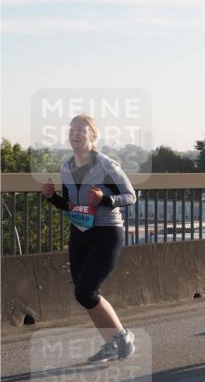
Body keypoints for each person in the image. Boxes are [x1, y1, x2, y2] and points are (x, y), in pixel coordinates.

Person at [42, 115, 137, 362]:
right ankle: (115, 340)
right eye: (72, 130)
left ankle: (121, 338)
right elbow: (70, 205)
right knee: (84, 293)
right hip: (80, 232)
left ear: (93, 136)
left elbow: (130, 196)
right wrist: (52, 197)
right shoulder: (66, 167)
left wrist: (105, 200)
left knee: (86, 291)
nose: (75, 134)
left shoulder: (106, 165)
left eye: (81, 131)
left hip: (106, 232)